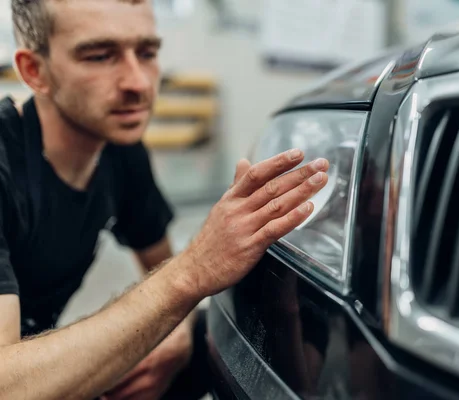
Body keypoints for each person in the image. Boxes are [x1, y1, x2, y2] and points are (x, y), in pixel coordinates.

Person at [0, 0, 330, 399]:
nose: (138, 83)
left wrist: (178, 331)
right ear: (35, 71)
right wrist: (193, 272)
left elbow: (160, 268)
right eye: (101, 56)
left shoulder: (119, 149)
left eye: (147, 52)